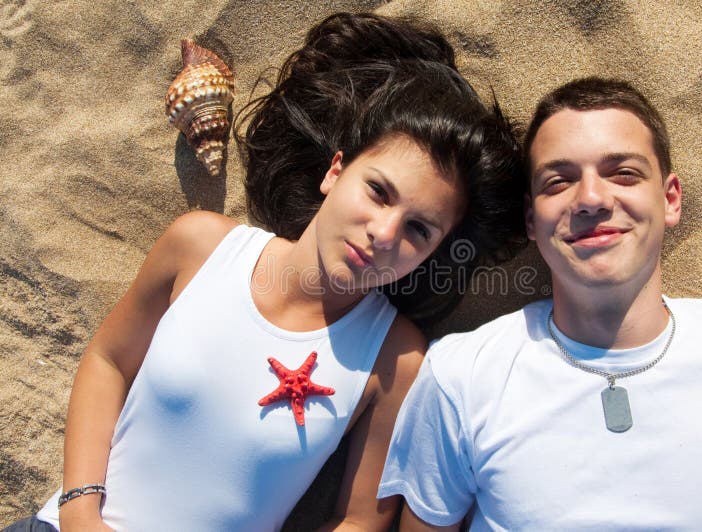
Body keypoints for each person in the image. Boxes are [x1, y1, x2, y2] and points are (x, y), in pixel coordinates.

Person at [8, 13, 526, 532]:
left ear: (433, 251)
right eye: (378, 191)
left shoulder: (396, 359)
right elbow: (108, 361)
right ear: (336, 170)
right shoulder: (200, 245)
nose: (385, 233)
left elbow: (359, 521)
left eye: (419, 229)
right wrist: (79, 512)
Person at [379, 77, 702, 530]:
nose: (592, 199)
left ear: (670, 199)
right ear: (530, 220)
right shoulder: (460, 376)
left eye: (623, 173)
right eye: (559, 181)